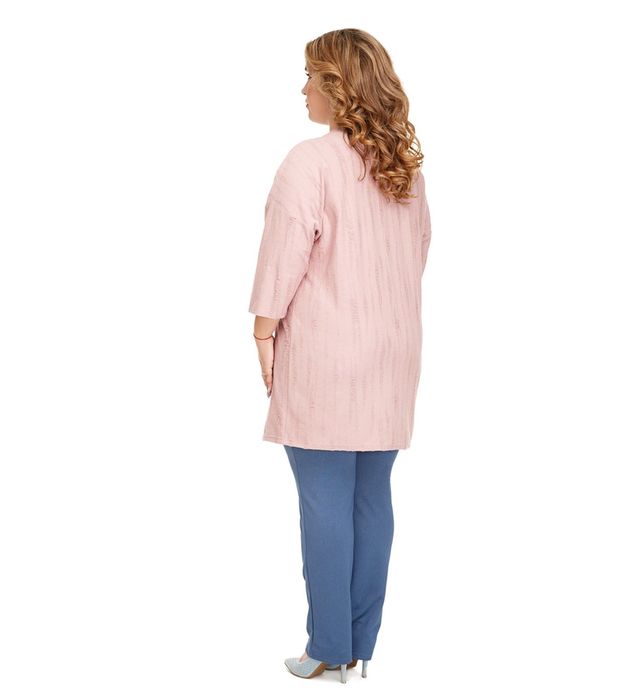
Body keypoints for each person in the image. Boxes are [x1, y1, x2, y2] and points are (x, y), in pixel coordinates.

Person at [248, 28, 431, 684]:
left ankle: (327, 646)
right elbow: (417, 255)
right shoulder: (404, 169)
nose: (303, 89)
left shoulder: (310, 162)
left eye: (312, 77)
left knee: (325, 500)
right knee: (370, 499)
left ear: (338, 85)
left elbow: (284, 256)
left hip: (327, 353)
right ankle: (359, 645)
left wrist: (263, 332)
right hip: (392, 354)